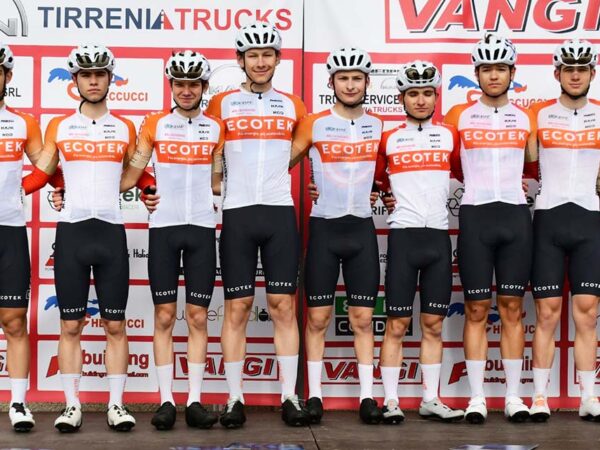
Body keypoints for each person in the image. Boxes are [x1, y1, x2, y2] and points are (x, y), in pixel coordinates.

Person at [205, 21, 309, 427]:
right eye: (253, 56)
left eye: (268, 55)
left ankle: (289, 396)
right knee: (238, 307)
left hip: (279, 212)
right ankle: (234, 398)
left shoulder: (294, 105)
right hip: (238, 213)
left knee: (283, 306)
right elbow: (210, 152)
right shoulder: (222, 104)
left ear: (278, 59)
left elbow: (301, 150)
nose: (261, 62)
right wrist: (217, 183)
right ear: (240, 60)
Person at [118, 50, 224, 430]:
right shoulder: (154, 124)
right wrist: (146, 186)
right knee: (164, 315)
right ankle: (166, 400)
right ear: (171, 86)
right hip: (163, 229)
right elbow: (131, 176)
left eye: (193, 84)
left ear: (204, 87)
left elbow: (217, 181)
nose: (186, 90)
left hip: (201, 229)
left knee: (197, 316)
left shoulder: (216, 128)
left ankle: (194, 400)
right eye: (179, 84)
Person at [40, 44, 137, 432]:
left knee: (116, 325)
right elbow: (43, 169)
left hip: (111, 232)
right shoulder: (59, 126)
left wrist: (149, 189)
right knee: (70, 325)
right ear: (75, 80)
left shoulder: (126, 127)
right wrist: (55, 186)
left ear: (110, 78)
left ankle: (116, 405)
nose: (93, 81)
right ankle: (71, 406)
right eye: (86, 75)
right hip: (72, 233)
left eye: (99, 75)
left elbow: (137, 172)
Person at [444, 33, 537, 423]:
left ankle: (514, 397)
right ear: (477, 74)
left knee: (513, 309)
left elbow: (534, 164)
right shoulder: (458, 116)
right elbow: (450, 164)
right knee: (477, 308)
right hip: (476, 215)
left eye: (501, 68)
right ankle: (477, 398)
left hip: (515, 215)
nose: (494, 75)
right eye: (486, 69)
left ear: (512, 73)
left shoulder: (527, 117)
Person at [290, 47, 384, 424]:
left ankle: (367, 397)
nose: (350, 84)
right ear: (331, 82)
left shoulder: (378, 126)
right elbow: (279, 165)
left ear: (367, 82)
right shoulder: (313, 124)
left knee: (362, 318)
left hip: (361, 228)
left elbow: (387, 173)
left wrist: (380, 189)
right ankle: (314, 396)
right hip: (325, 228)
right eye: (343, 78)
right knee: (317, 318)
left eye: (356, 78)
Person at [375, 61, 464, 424]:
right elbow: (373, 181)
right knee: (396, 323)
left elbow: (468, 172)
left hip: (438, 239)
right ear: (402, 98)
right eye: (413, 94)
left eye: (428, 93)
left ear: (436, 97)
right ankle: (390, 400)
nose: (421, 100)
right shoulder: (388, 139)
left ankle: (430, 398)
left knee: (433, 324)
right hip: (404, 237)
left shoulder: (450, 135)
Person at [529, 39, 600, 422]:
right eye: (569, 69)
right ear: (557, 73)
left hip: (589, 217)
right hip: (549, 218)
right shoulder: (538, 115)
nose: (575, 75)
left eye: (582, 69)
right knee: (547, 313)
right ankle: (539, 396)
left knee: (587, 314)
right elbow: (521, 163)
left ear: (592, 73)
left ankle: (589, 396)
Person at [0, 42, 62, 432]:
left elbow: (46, 166)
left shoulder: (23, 123)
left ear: (7, 76)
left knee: (14, 320)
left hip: (9, 228)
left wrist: (21, 188)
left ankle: (19, 403)